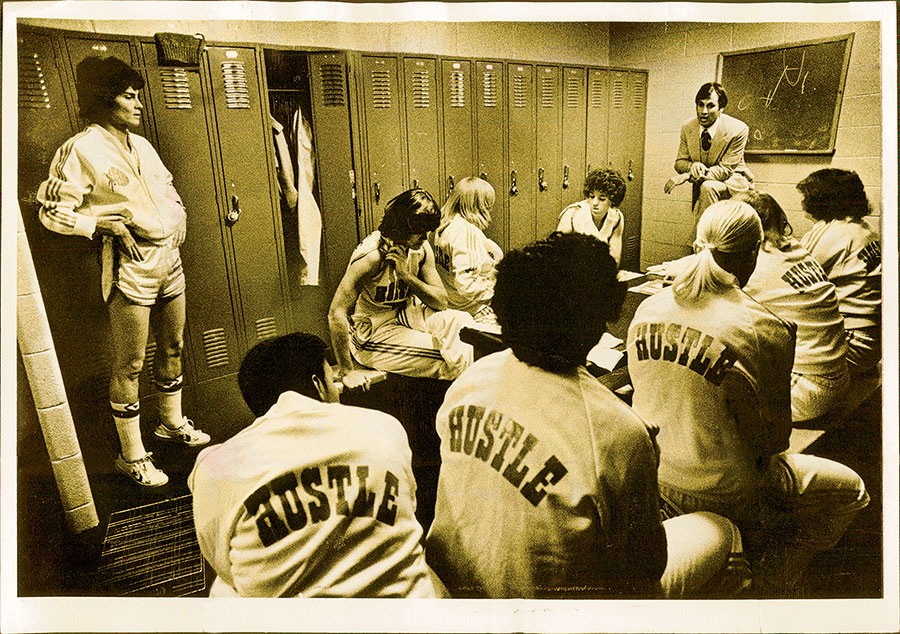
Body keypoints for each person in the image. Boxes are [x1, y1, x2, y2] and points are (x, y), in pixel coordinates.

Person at [426, 232, 749, 599]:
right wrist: (645, 462)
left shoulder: (470, 380)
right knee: (723, 531)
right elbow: (646, 567)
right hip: (557, 621)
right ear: (601, 322)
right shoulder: (620, 433)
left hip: (455, 598)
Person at [626, 200, 869, 596]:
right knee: (854, 492)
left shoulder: (647, 307)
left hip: (660, 478)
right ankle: (776, 579)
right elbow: (774, 441)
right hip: (729, 491)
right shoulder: (764, 326)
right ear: (754, 251)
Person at [36, 56, 208, 487]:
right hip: (131, 264)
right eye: (129, 96)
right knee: (130, 363)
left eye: (138, 96)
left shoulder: (142, 145)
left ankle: (169, 423)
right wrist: (101, 224)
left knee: (173, 347)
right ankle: (132, 454)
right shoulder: (80, 149)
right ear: (102, 99)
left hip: (168, 259)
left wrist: (178, 215)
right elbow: (51, 212)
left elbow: (166, 187)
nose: (138, 105)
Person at [189, 333, 443, 597]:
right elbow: (408, 508)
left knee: (223, 588)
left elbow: (224, 565)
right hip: (406, 619)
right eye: (332, 380)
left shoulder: (215, 467)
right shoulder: (384, 426)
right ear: (318, 385)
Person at [329, 189, 474, 390]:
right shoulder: (372, 257)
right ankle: (470, 397)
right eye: (420, 230)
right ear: (401, 226)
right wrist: (348, 370)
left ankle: (472, 390)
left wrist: (407, 276)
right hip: (373, 330)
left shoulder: (420, 248)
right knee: (446, 358)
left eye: (427, 231)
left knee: (463, 323)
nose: (425, 237)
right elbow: (336, 312)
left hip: (405, 315)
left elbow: (441, 301)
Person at [735, 190, 850, 422]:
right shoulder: (798, 250)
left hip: (806, 387)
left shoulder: (756, 262)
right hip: (839, 375)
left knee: (709, 382)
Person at [797, 169, 881, 375]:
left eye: (808, 197)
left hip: (852, 343)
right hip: (874, 341)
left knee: (769, 356)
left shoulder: (832, 232)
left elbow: (789, 282)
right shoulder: (864, 228)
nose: (803, 203)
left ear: (822, 200)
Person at [664, 82, 754, 229]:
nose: (703, 111)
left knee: (708, 186)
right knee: (707, 187)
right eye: (700, 105)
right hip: (706, 189)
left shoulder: (738, 129)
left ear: (721, 108)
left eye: (710, 106)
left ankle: (702, 243)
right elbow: (680, 162)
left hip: (732, 184)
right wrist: (691, 166)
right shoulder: (688, 127)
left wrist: (688, 176)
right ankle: (704, 241)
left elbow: (724, 171)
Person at [432, 177, 502, 325]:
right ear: (478, 205)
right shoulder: (466, 231)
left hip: (452, 302)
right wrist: (499, 294)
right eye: (487, 204)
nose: (490, 209)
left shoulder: (445, 225)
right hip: (471, 307)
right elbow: (467, 284)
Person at [556, 167, 626, 265]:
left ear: (613, 200)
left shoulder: (616, 217)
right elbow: (557, 253)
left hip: (600, 272)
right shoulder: (572, 213)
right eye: (592, 197)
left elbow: (615, 257)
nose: (594, 203)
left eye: (602, 199)